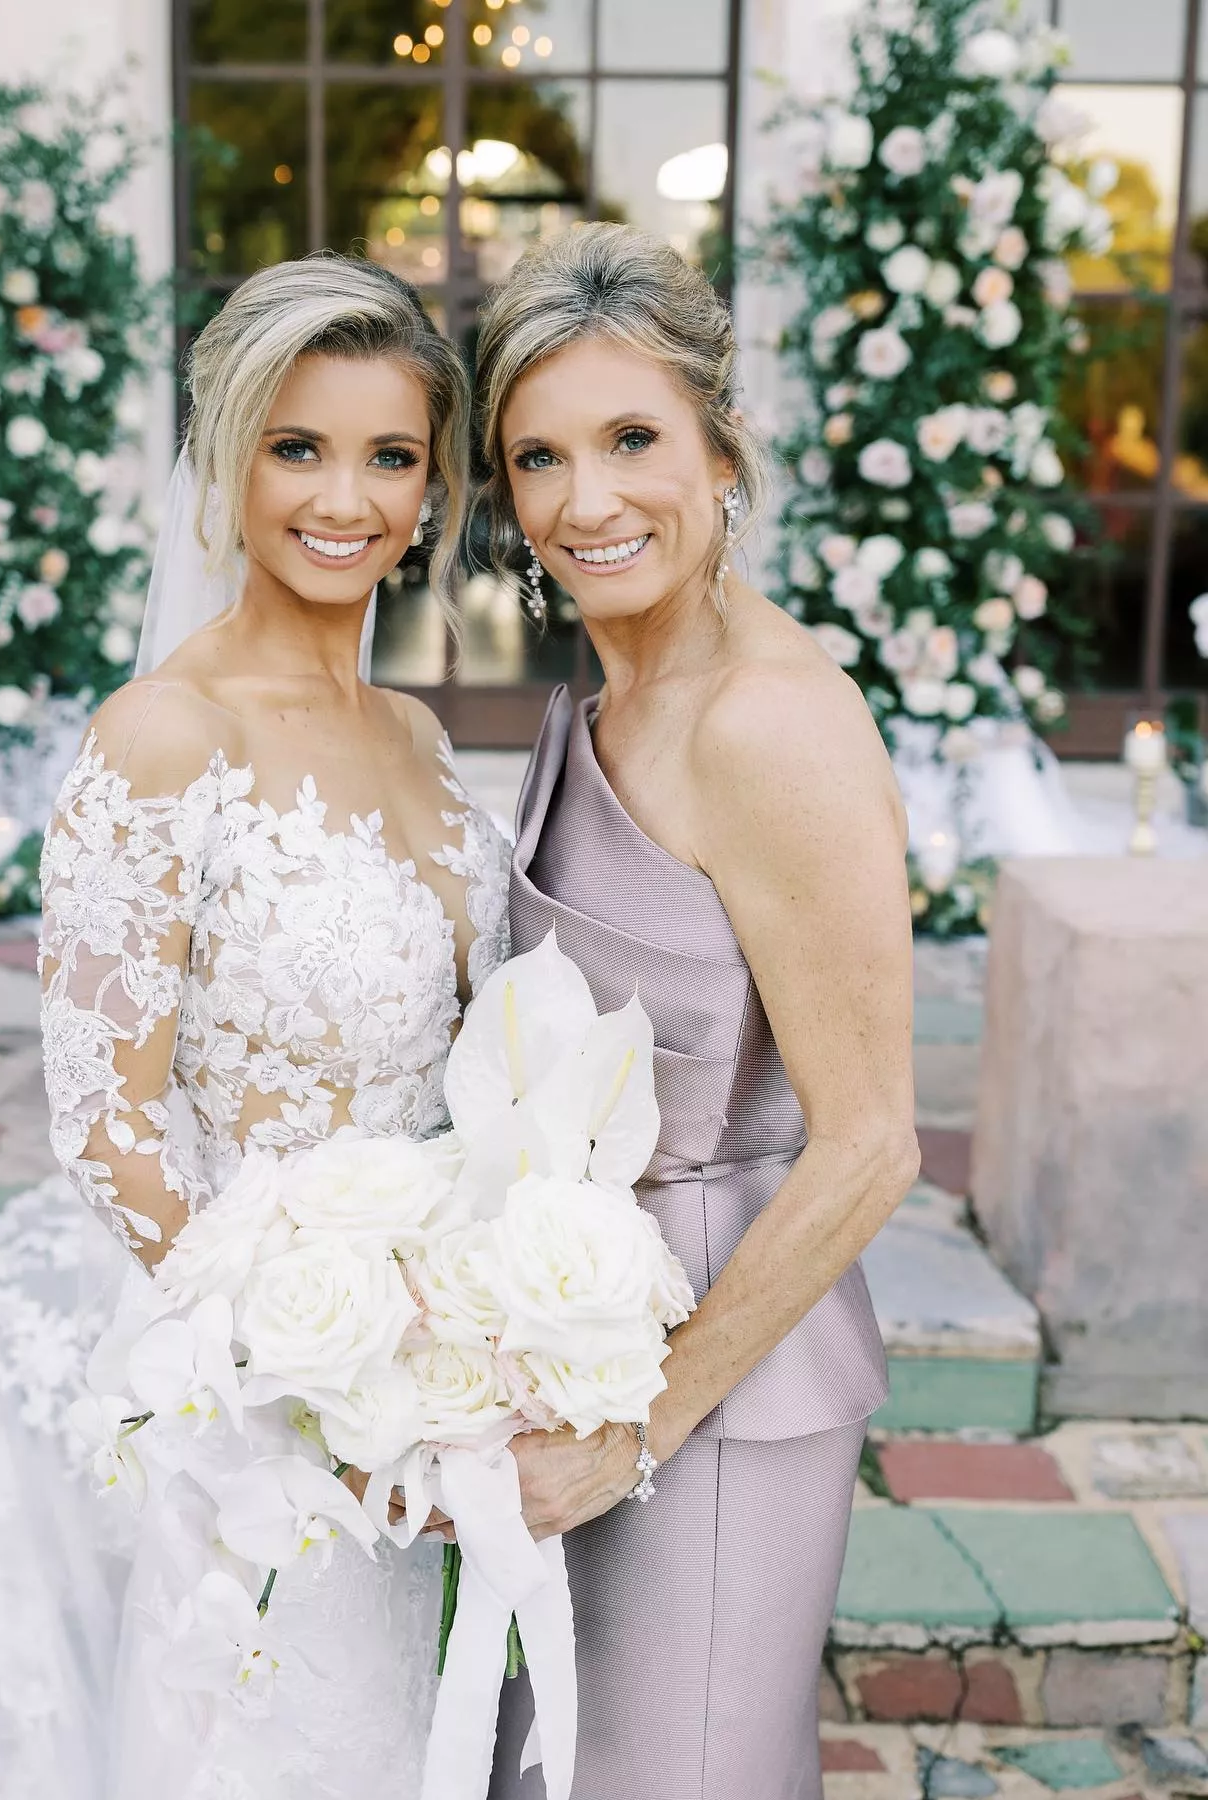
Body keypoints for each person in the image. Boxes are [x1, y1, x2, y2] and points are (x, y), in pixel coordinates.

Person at [0, 253, 510, 1800]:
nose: (345, 498)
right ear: (227, 458)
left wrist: (461, 1349)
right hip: (263, 1410)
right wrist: (317, 1377)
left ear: (433, 482)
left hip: (435, 1401)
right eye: (296, 446)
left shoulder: (423, 735)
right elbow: (107, 1125)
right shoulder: (166, 735)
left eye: (390, 455)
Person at [476, 223, 919, 1800]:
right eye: (541, 457)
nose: (588, 500)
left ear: (723, 452)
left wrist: (637, 1426)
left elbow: (872, 1145)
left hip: (717, 1389)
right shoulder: (609, 700)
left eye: (633, 438)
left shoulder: (771, 723)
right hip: (582, 1347)